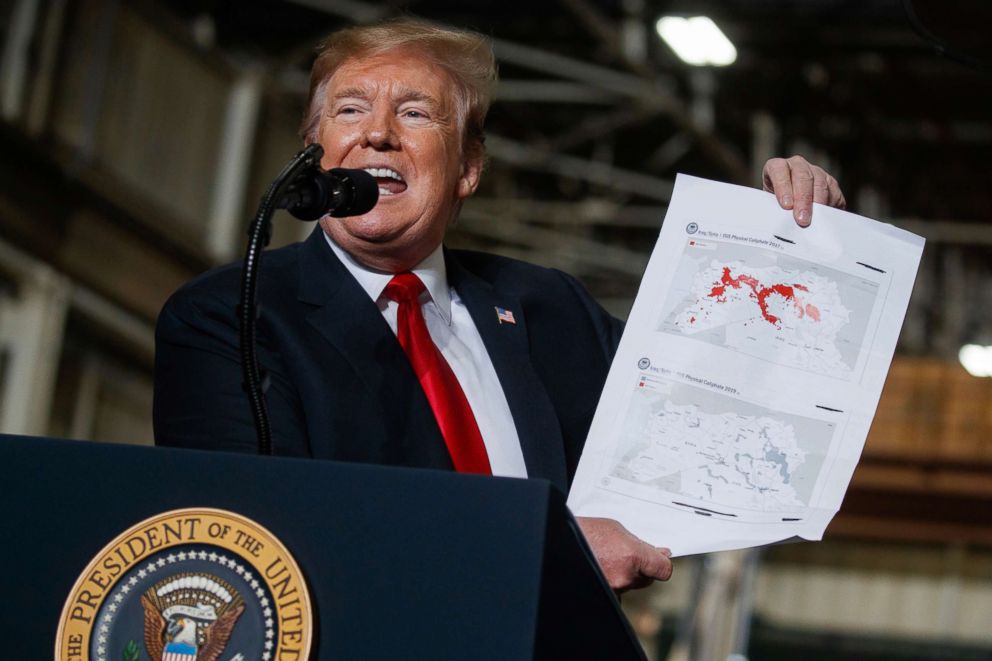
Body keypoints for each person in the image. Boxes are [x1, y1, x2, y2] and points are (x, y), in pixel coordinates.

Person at [154, 19, 846, 593]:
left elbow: (717, 420)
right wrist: (553, 548)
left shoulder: (550, 309)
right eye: (350, 108)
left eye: (416, 112)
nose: (379, 133)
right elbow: (244, 538)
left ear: (468, 169)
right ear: (312, 156)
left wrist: (785, 247)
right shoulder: (231, 316)